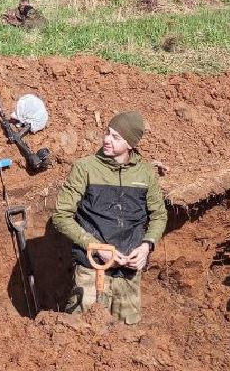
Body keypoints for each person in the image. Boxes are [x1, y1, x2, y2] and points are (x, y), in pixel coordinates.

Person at [49, 111, 167, 325]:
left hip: (128, 272)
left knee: (125, 336)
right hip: (92, 270)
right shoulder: (85, 168)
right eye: (107, 133)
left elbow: (159, 216)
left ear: (130, 144)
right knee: (83, 331)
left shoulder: (145, 173)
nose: (106, 139)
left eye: (116, 137)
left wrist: (146, 247)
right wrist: (95, 247)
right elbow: (61, 216)